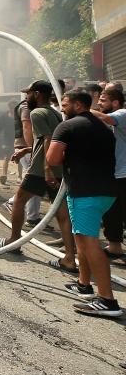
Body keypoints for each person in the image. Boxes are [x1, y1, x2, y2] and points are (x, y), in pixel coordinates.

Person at [46, 89, 123, 318]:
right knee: (82, 237)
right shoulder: (104, 128)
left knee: (89, 243)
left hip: (85, 192)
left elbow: (52, 159)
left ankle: (108, 301)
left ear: (78, 105)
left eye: (66, 103)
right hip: (106, 191)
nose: (61, 107)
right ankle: (84, 285)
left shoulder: (67, 126)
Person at [0, 81, 76, 271]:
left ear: (37, 94)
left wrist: (46, 169)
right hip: (59, 168)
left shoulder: (36, 113)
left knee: (19, 201)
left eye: (28, 94)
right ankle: (70, 256)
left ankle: (14, 241)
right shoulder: (55, 112)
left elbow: (47, 140)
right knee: (62, 213)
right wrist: (27, 150)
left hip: (40, 170)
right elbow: (52, 139)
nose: (26, 98)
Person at [91, 86, 126, 260]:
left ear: (116, 102)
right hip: (113, 174)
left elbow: (106, 118)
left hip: (124, 174)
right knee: (112, 212)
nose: (98, 104)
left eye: (103, 100)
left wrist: (82, 108)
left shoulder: (122, 114)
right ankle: (114, 248)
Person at [3, 93, 41, 225]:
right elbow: (26, 126)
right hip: (25, 148)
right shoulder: (25, 106)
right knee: (33, 180)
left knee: (34, 180)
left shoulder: (30, 106)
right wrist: (32, 147)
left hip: (26, 148)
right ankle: (14, 202)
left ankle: (33, 216)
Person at [0, 100, 16, 185]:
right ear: (9, 107)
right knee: (7, 157)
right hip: (7, 139)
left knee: (19, 158)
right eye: (11, 106)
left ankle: (20, 177)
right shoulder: (4, 116)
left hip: (17, 139)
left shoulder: (19, 116)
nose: (12, 108)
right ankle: (4, 174)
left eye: (14, 106)